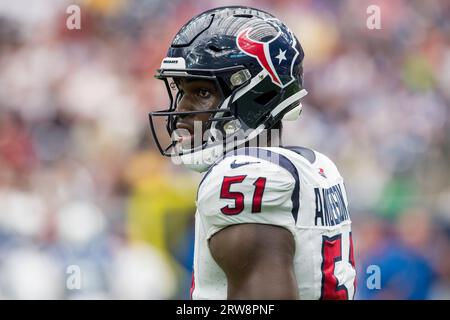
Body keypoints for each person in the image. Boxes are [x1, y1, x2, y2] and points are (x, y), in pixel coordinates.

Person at [149, 6, 356, 300]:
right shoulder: (315, 167)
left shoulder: (244, 179)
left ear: (259, 95)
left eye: (202, 92)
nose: (181, 110)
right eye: (182, 91)